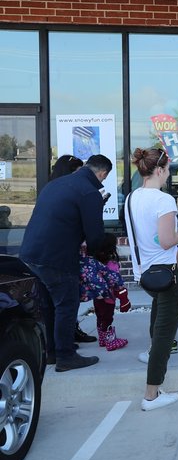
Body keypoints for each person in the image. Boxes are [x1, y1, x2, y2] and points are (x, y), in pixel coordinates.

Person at [20, 154, 111, 371]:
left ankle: (52, 353)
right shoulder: (89, 192)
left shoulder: (55, 184)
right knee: (66, 305)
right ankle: (66, 356)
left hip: (30, 254)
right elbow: (95, 237)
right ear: (102, 173)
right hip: (57, 257)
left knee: (48, 306)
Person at [124, 148, 178, 410]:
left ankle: (150, 353)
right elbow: (167, 241)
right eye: (168, 169)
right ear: (159, 170)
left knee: (158, 314)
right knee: (165, 333)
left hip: (145, 273)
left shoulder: (131, 197)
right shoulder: (163, 200)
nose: (169, 174)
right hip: (167, 272)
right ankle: (151, 394)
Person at [48, 154, 99, 345]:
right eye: (78, 172)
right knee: (66, 303)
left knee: (61, 302)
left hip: (51, 253)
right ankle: (65, 349)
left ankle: (62, 341)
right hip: (59, 255)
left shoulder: (54, 189)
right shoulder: (64, 190)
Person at [79, 233, 130, 351]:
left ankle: (102, 339)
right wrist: (124, 298)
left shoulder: (93, 262)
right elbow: (116, 283)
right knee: (107, 318)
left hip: (98, 297)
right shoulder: (111, 264)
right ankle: (110, 341)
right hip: (109, 297)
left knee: (100, 316)